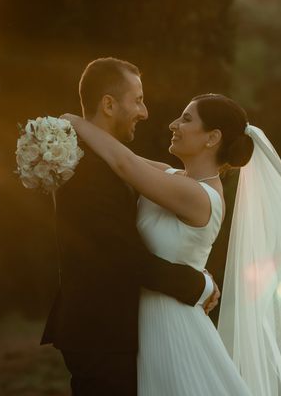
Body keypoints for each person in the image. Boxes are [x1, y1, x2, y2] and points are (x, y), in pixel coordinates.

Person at [62, 90, 281, 394]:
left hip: (173, 329)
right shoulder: (174, 178)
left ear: (212, 138)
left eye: (186, 119)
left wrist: (70, 120)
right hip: (151, 323)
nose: (172, 124)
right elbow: (116, 153)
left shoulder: (198, 196)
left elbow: (123, 164)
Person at [41, 57, 220, 396]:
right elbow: (120, 258)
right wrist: (197, 284)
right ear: (109, 104)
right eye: (137, 100)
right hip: (101, 332)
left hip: (113, 330)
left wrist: (75, 123)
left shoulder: (108, 163)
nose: (145, 111)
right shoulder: (91, 172)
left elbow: (132, 166)